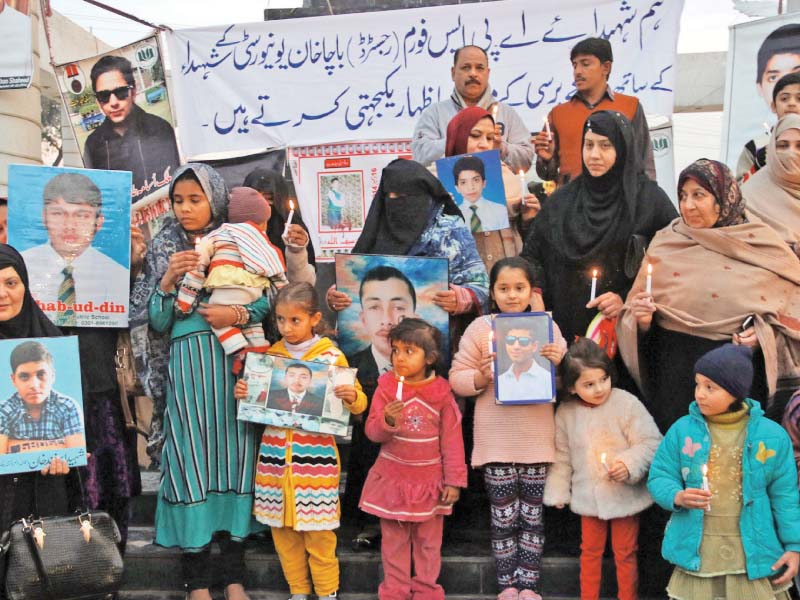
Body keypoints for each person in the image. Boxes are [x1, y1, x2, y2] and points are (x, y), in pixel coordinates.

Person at [147, 163, 267, 600]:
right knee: (191, 464)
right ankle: (197, 582)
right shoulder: (165, 245)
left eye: (195, 199)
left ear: (214, 199)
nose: (185, 209)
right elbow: (158, 321)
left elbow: (267, 302)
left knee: (235, 462)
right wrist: (166, 280)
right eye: (178, 200)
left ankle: (232, 578)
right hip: (189, 376)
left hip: (233, 373)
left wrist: (233, 314)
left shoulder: (239, 241)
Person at [617, 158, 800, 434]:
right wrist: (641, 321)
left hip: (738, 385)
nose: (688, 205)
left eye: (699, 195)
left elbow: (792, 310)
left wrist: (765, 337)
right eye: (683, 196)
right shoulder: (667, 242)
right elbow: (638, 317)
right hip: (676, 385)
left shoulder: (761, 244)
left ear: (723, 199)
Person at [234, 282, 366, 600]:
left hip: (316, 463)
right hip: (275, 462)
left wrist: (352, 396)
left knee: (319, 534)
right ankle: (297, 591)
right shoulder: (271, 359)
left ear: (314, 318)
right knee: (283, 532)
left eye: (295, 320)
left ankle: (327, 592)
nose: (287, 327)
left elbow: (360, 405)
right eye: (280, 320)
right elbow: (256, 406)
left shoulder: (332, 358)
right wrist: (245, 394)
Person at [450, 257, 566, 600]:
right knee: (503, 517)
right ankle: (507, 586)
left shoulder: (547, 329)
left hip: (536, 440)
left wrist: (561, 365)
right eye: (504, 289)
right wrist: (481, 378)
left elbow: (565, 385)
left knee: (532, 518)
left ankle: (528, 586)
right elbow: (456, 379)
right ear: (492, 292)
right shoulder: (480, 329)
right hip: (496, 440)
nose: (512, 296)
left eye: (520, 288)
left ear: (532, 291)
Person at [648, 343, 800, 599]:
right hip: (700, 552)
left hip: (751, 553)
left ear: (735, 391)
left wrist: (795, 546)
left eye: (710, 387)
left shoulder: (772, 436)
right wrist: (677, 496)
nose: (700, 394)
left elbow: (785, 498)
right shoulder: (683, 430)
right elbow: (660, 475)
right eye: (697, 384)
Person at [521, 110, 676, 362]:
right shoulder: (563, 200)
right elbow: (531, 254)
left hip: (620, 336)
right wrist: (535, 291)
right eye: (588, 144)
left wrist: (626, 298)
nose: (594, 155)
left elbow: (673, 262)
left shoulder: (648, 200)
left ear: (624, 149)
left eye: (605, 146)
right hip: (563, 333)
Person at [545, 338, 661, 600]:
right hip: (589, 497)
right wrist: (559, 491)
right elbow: (562, 455)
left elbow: (651, 441)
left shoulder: (625, 403)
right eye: (588, 384)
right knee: (590, 551)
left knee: (626, 552)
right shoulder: (566, 413)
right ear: (572, 388)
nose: (599, 389)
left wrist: (628, 464)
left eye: (603, 379)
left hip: (625, 495)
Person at [360, 317, 467, 600]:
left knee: (428, 544)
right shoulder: (385, 387)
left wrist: (454, 481)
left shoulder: (442, 393)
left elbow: (452, 441)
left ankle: (426, 591)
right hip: (393, 482)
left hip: (429, 484)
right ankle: (394, 592)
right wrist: (387, 421)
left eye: (409, 351)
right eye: (396, 350)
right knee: (394, 543)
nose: (400, 358)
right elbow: (372, 432)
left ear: (429, 357)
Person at [0, 245, 73, 566]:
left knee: (33, 576)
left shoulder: (54, 345)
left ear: (25, 286)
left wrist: (66, 457)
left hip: (40, 491)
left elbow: (72, 432)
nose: (2, 294)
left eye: (10, 283)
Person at [176, 186, 288, 356]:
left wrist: (185, 299)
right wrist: (286, 295)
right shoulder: (263, 242)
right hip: (254, 293)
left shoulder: (217, 234)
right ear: (262, 222)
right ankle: (258, 356)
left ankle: (237, 349)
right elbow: (276, 273)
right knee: (254, 329)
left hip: (225, 292)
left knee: (216, 319)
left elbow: (197, 267)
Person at [534, 38, 656, 186]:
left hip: (619, 202)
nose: (578, 71)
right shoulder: (558, 114)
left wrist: (647, 201)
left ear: (606, 67)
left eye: (585, 64)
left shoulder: (630, 106)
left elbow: (644, 163)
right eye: (574, 65)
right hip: (570, 204)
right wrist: (547, 159)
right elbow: (546, 174)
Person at [22, 171, 129, 326]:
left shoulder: (118, 276)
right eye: (58, 213)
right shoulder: (20, 268)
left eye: (81, 215)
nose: (70, 226)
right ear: (44, 217)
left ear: (99, 222)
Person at [443, 106, 539, 272]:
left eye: (490, 138)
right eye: (475, 136)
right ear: (457, 135)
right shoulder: (434, 180)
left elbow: (528, 239)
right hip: (460, 282)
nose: (484, 145)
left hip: (504, 281)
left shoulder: (506, 174)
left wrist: (527, 218)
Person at [411, 45, 534, 172]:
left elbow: (526, 161)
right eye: (466, 68)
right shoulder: (435, 113)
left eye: (479, 68)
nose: (473, 74)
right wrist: (457, 140)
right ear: (453, 73)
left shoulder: (507, 114)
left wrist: (500, 148)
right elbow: (419, 157)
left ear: (488, 73)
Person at [83, 54, 181, 200]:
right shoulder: (93, 145)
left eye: (120, 92)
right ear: (98, 102)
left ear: (133, 91)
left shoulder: (161, 129)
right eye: (104, 96)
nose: (113, 102)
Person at [736, 26, 800, 183]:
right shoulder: (756, 147)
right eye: (784, 98)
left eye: (799, 98)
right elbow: (738, 194)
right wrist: (758, 165)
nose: (791, 104)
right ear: (773, 105)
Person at [0, 340, 84, 454]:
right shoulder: (3, 410)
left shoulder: (68, 407)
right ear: (14, 380)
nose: (34, 385)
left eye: (41, 375)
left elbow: (76, 454)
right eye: (24, 376)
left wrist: (12, 446)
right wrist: (60, 445)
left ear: (52, 376)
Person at [242, 168, 315, 287]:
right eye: (255, 197)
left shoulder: (294, 228)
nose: (262, 205)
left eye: (269, 197)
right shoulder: (233, 228)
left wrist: (297, 250)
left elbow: (304, 284)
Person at [742, 112, 800, 255]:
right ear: (772, 149)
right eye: (783, 145)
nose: (791, 153)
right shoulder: (747, 195)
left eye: (799, 146)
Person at [496, 324, 553, 402]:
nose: (516, 347)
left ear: (534, 346)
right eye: (510, 340)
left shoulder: (547, 380)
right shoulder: (500, 381)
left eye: (523, 341)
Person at [453, 155, 508, 232]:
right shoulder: (453, 218)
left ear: (484, 183)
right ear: (457, 188)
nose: (471, 187)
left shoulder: (500, 210)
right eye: (463, 182)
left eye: (476, 180)